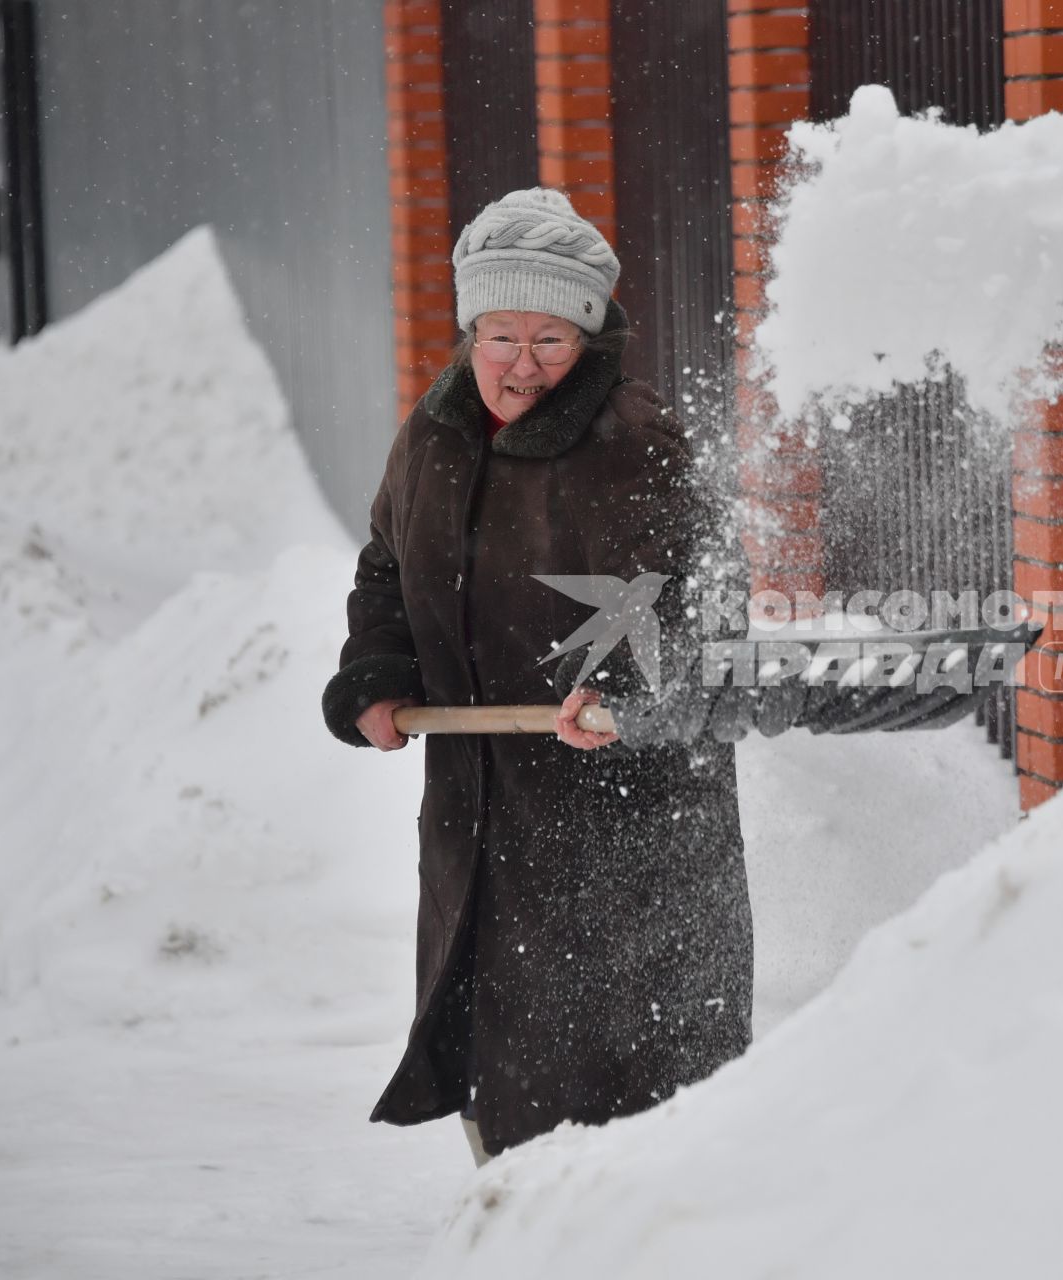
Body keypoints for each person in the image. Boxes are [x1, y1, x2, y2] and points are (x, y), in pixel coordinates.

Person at [320, 187, 751, 1166]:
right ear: (473, 325)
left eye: (550, 339)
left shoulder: (632, 440)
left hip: (627, 829)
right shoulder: (431, 436)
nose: (521, 363)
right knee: (497, 1072)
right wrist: (378, 675)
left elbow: (710, 603)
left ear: (588, 335)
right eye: (502, 333)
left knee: (624, 1101)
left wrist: (633, 702)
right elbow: (386, 565)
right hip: (478, 816)